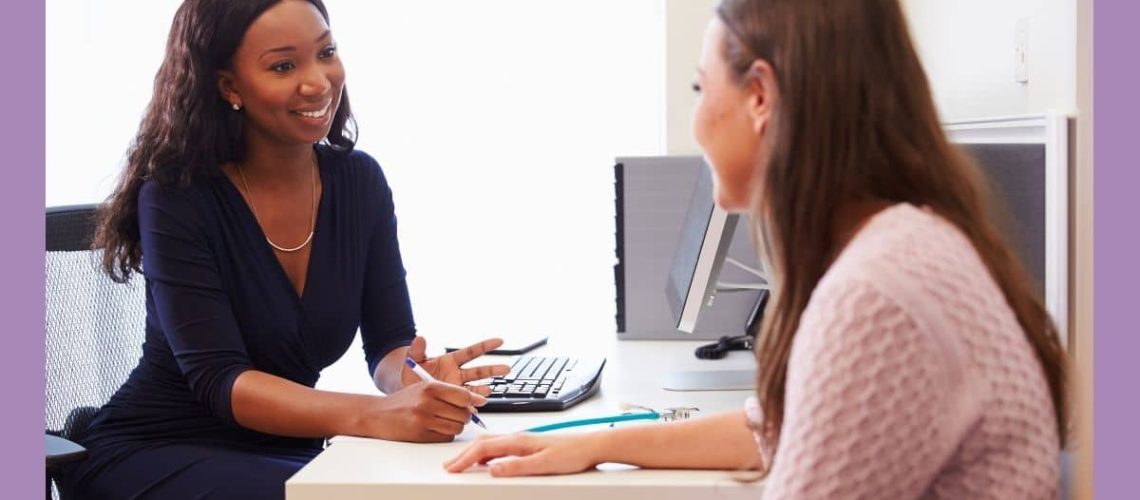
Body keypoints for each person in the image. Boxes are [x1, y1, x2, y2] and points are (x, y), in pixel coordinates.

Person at [445, 0, 1069, 498]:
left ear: (761, 96)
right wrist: (598, 443)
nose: (695, 118)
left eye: (699, 88)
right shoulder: (911, 243)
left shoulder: (874, 293)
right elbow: (776, 428)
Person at [61, 1, 509, 498]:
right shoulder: (176, 196)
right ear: (230, 87)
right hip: (157, 449)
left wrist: (414, 380)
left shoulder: (360, 182)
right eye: (283, 66)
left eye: (326, 52)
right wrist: (381, 415)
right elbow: (220, 380)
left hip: (286, 453)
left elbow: (389, 341)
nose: (317, 82)